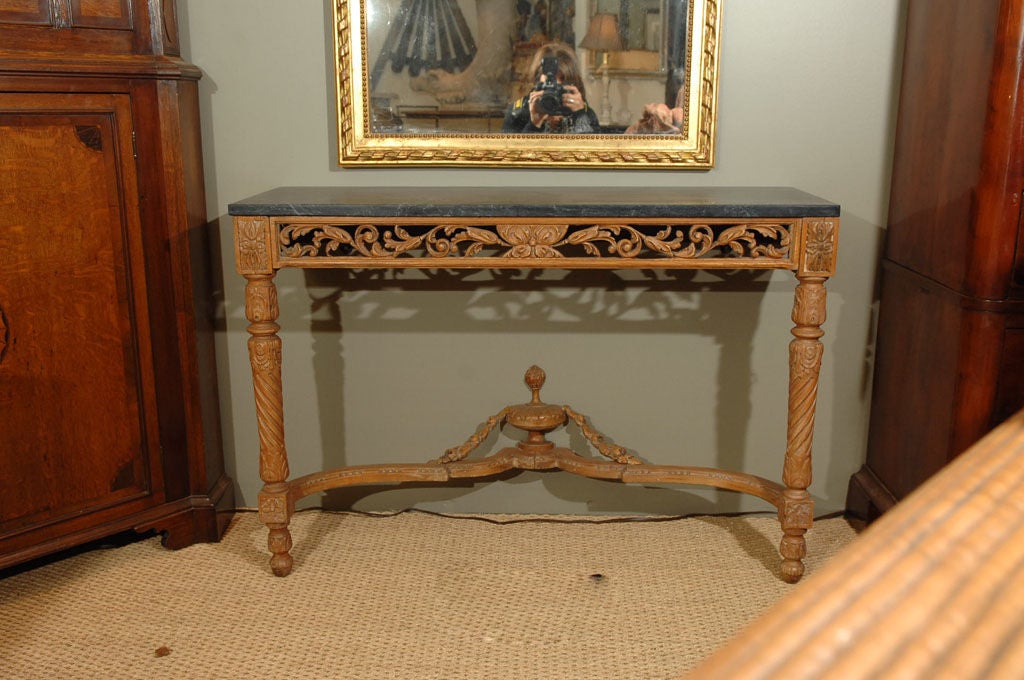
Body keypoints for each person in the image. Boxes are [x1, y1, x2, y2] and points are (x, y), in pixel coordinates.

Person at [501, 42, 600, 133]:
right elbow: (512, 152)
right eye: (549, 81)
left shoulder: (585, 113)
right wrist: (535, 123)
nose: (555, 88)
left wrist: (580, 116)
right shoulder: (518, 114)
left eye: (562, 80)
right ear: (537, 81)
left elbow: (593, 151)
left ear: (574, 84)